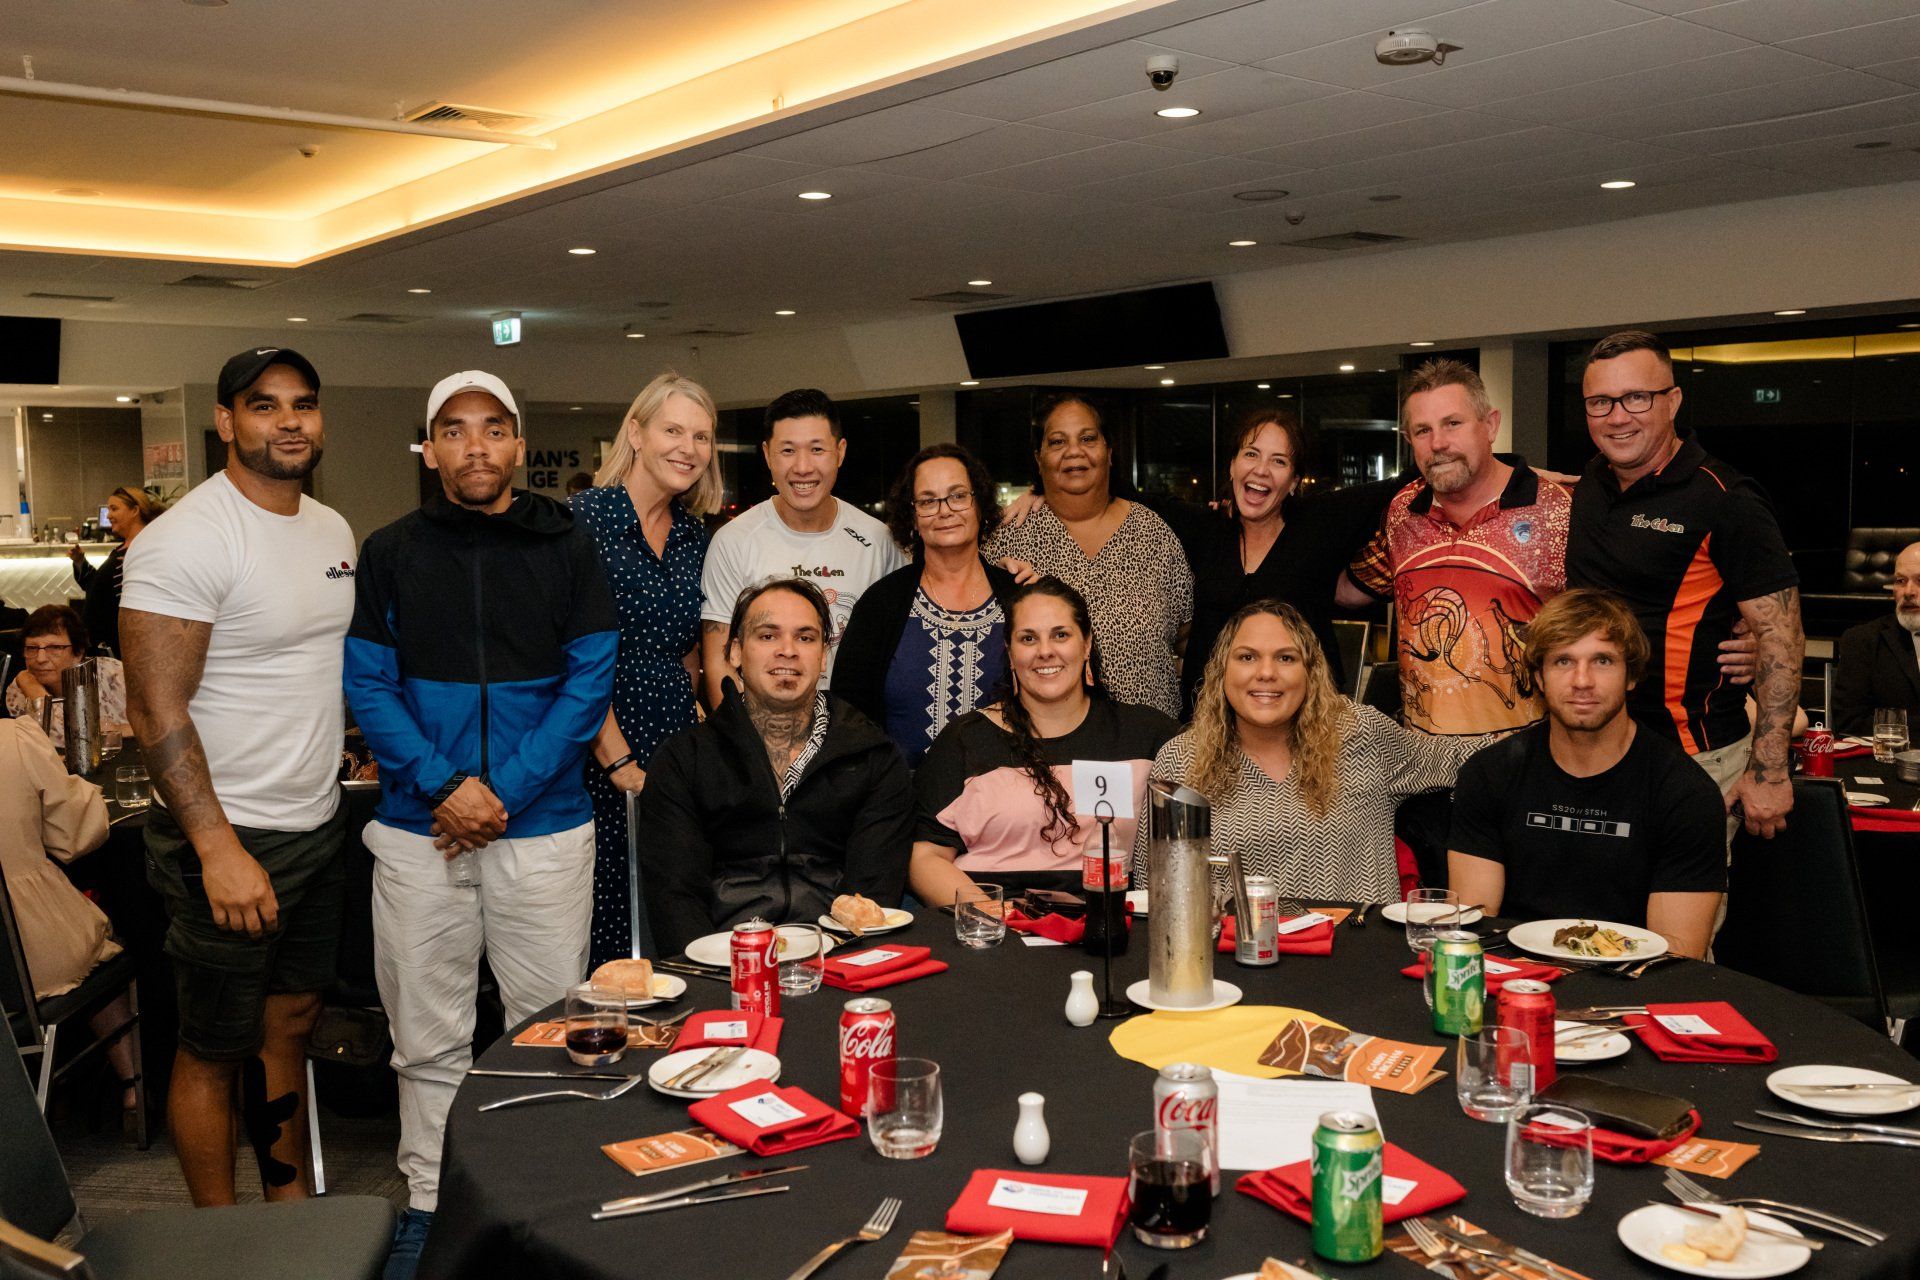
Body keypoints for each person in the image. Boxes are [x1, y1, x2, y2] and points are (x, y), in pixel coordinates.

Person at [344, 370, 617, 1263]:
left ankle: (536, 1198)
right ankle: (429, 1200)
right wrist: (445, 786)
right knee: (426, 1036)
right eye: (453, 431)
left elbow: (587, 687)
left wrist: (501, 794)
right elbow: (370, 685)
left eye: (492, 429)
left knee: (545, 1027)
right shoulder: (391, 551)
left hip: (543, 830)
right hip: (422, 831)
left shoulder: (567, 545)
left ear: (516, 443)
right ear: (430, 450)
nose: (474, 446)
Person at [120, 345, 356, 1207]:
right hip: (225, 836)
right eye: (264, 405)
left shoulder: (331, 530)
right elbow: (155, 709)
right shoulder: (186, 539)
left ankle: (286, 1212)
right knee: (212, 1047)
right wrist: (216, 847)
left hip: (315, 826)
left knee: (288, 1026)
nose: (289, 421)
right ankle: (218, 1238)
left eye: (303, 404)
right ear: (225, 421)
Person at [1567, 330, 1803, 839]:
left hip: (1694, 757)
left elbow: (1782, 639)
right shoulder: (1589, 483)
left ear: (1672, 401)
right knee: (1596, 916)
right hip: (1592, 753)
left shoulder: (1725, 499)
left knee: (1676, 919)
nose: (1617, 416)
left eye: (1636, 397)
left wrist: (1769, 771)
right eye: (1600, 402)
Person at [1139, 601, 1489, 903]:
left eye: (1286, 658)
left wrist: (1539, 737)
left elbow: (1466, 759)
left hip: (1360, 959)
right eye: (1247, 657)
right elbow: (1151, 886)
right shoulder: (1181, 759)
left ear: (1311, 673)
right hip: (1234, 964)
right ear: (1221, 671)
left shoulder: (1361, 732)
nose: (1266, 673)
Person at [641, 577, 912, 956]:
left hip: (838, 965)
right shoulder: (684, 761)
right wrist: (717, 977)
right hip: (724, 965)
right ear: (734, 652)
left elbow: (873, 898)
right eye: (768, 636)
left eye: (805, 637)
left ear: (823, 656)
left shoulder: (874, 758)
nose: (788, 651)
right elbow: (675, 900)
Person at [1448, 590, 1726, 959]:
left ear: (1632, 676)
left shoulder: (1686, 793)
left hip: (1630, 991)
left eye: (1603, 661)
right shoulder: (1489, 774)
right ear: (1540, 678)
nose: (1582, 681)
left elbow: (1676, 954)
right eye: (1563, 661)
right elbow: (1474, 927)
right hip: (1517, 981)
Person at [570, 373, 722, 967]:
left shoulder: (694, 536)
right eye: (673, 430)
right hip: (591, 755)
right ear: (635, 432)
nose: (688, 447)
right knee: (602, 933)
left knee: (666, 922)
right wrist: (619, 759)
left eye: (702, 436)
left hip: (669, 757)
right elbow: (567, 659)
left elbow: (689, 655)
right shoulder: (581, 522)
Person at [1338, 359, 1571, 736]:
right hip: (1424, 768)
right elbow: (1349, 591)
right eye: (1423, 430)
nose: (1439, 443)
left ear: (1491, 425)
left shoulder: (1560, 509)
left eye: (1452, 423)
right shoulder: (1401, 513)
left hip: (1529, 767)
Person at [911, 579, 1176, 907]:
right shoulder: (965, 739)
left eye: (1061, 635)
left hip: (1107, 933)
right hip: (995, 934)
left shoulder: (1146, 735)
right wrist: (993, 917)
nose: (1045, 651)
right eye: (1028, 638)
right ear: (1010, 652)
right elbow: (926, 857)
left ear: (1087, 645)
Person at [987, 393, 1192, 719]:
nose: (1074, 452)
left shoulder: (1153, 534)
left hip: (1150, 745)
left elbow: (1187, 638)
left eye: (1087, 438)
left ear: (1109, 452)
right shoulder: (1009, 537)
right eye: (1057, 442)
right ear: (1038, 458)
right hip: (1044, 745)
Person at [697, 388, 903, 708]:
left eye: (817, 449)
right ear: (767, 455)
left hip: (854, 738)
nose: (803, 467)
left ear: (840, 452)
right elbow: (718, 663)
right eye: (788, 451)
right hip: (762, 739)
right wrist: (749, 746)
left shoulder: (878, 541)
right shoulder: (734, 541)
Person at [1181, 408, 1394, 711]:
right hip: (1208, 725)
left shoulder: (1317, 529)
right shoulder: (1205, 532)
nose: (1261, 470)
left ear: (1294, 482)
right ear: (1232, 466)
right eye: (1251, 454)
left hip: (1306, 727)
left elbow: (1402, 488)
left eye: (1278, 461)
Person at [837, 444, 1017, 766]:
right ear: (913, 518)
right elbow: (848, 713)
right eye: (928, 501)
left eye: (958, 495)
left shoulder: (1018, 599)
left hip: (1005, 804)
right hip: (901, 804)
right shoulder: (881, 604)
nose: (945, 510)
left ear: (980, 505)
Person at [0, 719, 141, 1130]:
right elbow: (74, 835)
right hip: (24, 956)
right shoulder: (15, 738)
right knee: (96, 940)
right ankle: (133, 1085)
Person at [1831, 541, 1920, 736]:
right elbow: (1849, 723)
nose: (1908, 592)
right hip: (1887, 762)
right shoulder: (1862, 641)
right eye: (1900, 581)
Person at [5, 605, 130, 740]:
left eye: (55, 647)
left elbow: (80, 737)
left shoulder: (115, 674)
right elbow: (55, 740)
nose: (40, 659)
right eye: (32, 648)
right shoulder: (20, 690)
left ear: (78, 652)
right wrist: (34, 690)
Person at [69, 485, 163, 656]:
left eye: (114, 509)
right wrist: (80, 562)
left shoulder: (140, 550)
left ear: (135, 510)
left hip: (122, 652)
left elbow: (132, 608)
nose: (109, 515)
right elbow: (98, 587)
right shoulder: (123, 550)